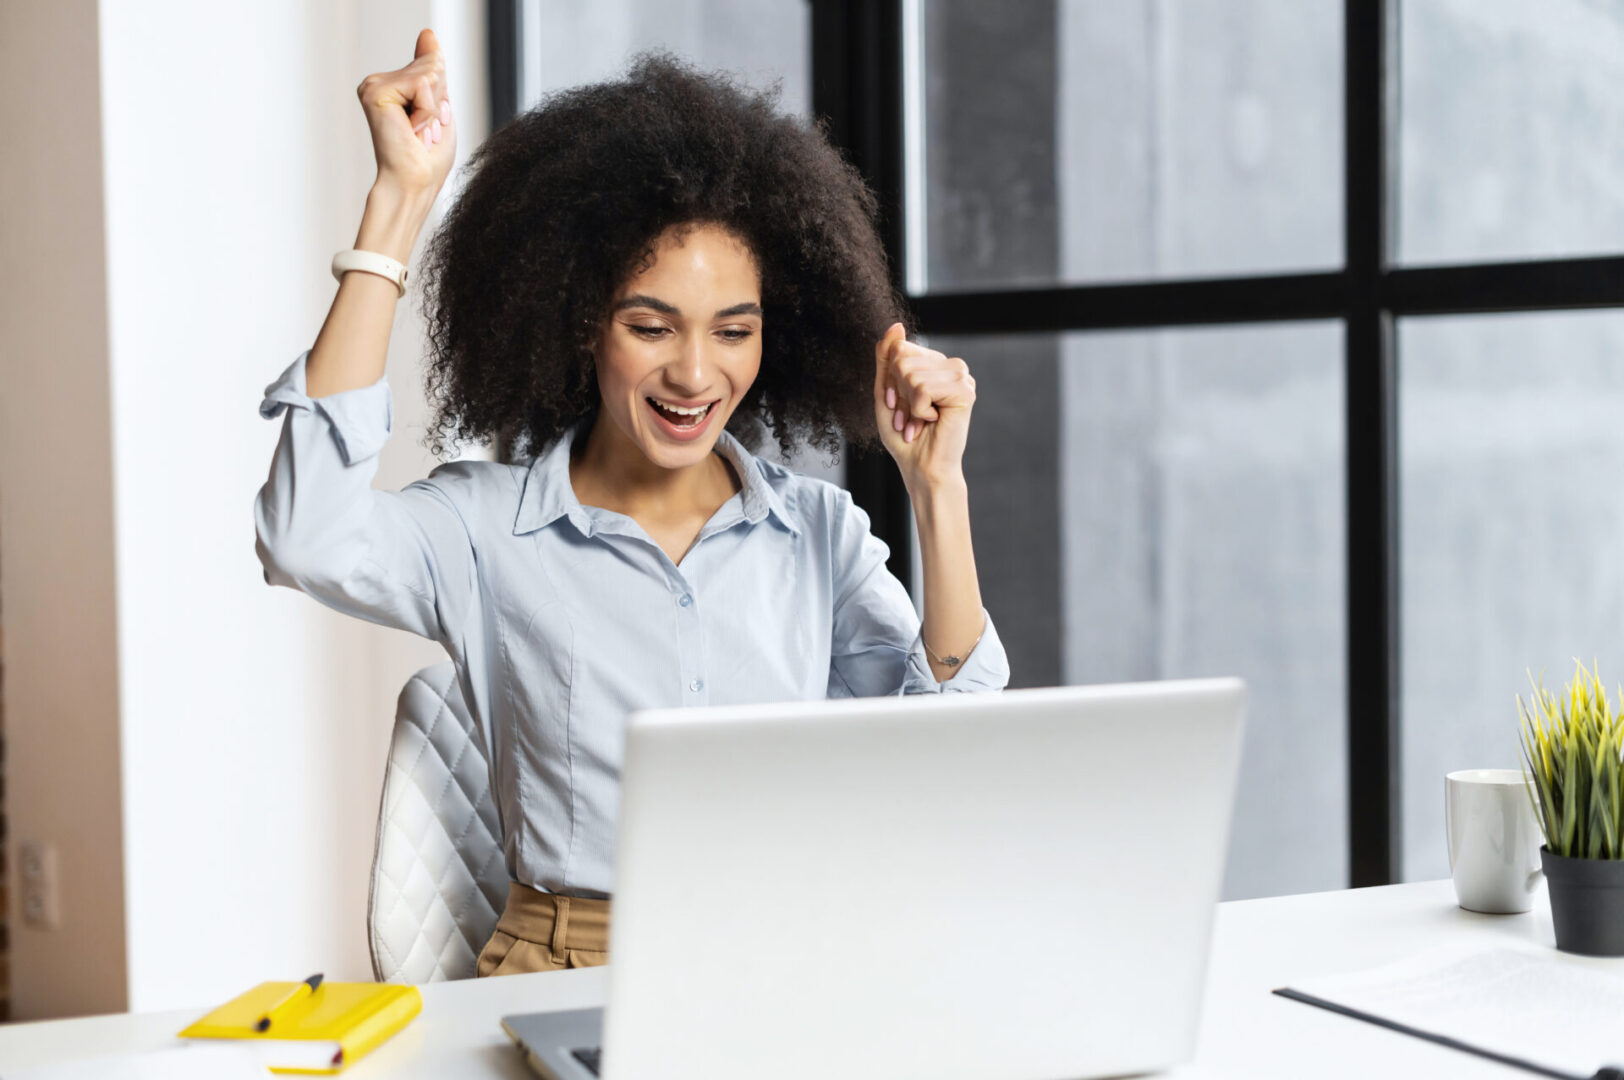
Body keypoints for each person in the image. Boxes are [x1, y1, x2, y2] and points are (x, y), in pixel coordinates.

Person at [255, 29, 1009, 977]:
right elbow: (304, 535)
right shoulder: (485, 530)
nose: (695, 372)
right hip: (569, 967)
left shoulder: (816, 533)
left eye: (734, 331)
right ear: (579, 323)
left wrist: (937, 489)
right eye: (650, 326)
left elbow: (955, 741)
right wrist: (400, 204)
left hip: (787, 959)